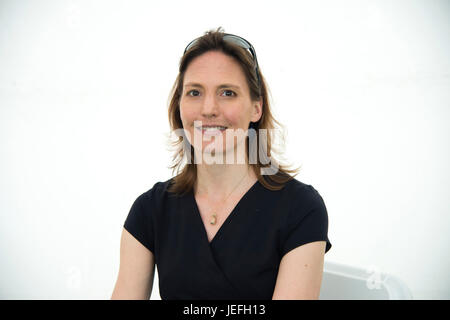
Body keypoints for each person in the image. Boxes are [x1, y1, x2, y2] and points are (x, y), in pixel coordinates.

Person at [111, 27, 332, 300]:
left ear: (256, 108)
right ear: (179, 106)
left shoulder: (300, 208)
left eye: (227, 93)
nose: (208, 109)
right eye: (194, 92)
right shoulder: (150, 210)